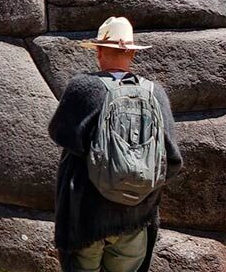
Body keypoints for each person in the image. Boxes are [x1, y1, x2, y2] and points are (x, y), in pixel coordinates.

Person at [48, 17, 183, 272]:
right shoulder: (156, 94)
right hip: (135, 220)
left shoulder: (83, 89)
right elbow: (172, 161)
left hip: (84, 218)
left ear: (98, 51)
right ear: (131, 52)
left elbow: (58, 134)